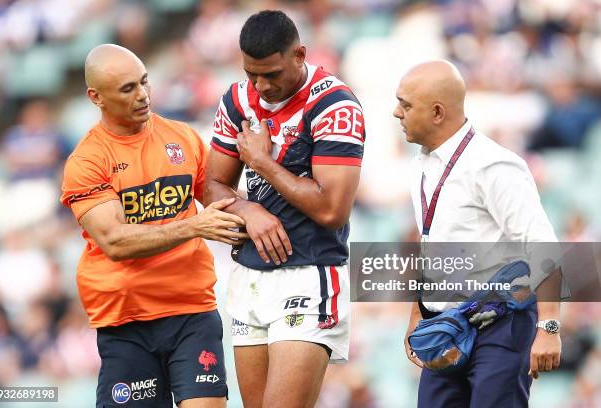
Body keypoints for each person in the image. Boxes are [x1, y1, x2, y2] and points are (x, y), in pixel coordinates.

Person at [60, 44, 248, 408]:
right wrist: (194, 227)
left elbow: (220, 200)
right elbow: (115, 241)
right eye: (127, 88)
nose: (143, 95)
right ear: (95, 97)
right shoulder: (86, 160)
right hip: (126, 320)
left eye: (144, 82)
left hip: (192, 309)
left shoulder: (183, 137)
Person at [204, 10, 365, 408]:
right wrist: (246, 210)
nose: (261, 86)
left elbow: (332, 210)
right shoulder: (238, 99)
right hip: (249, 275)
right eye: (251, 74)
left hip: (309, 275)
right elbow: (211, 185)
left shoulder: (334, 104)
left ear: (299, 55)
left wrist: (262, 163)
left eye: (272, 74)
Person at [393, 60, 562, 407]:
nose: (397, 113)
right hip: (444, 326)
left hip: (500, 325)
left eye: (406, 104)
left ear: (437, 112)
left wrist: (549, 327)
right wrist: (418, 313)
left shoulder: (494, 165)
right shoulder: (421, 165)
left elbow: (542, 244)